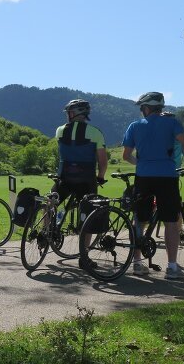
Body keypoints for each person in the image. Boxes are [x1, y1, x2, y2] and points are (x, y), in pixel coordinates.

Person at [122, 92, 184, 280]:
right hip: (167, 176)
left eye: (142, 108)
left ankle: (137, 264)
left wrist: (140, 164)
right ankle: (172, 268)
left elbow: (126, 155)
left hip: (143, 177)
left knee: (140, 219)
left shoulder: (134, 126)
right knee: (171, 222)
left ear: (147, 108)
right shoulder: (172, 123)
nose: (142, 111)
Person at [54, 100, 108, 269]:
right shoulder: (95, 133)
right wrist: (100, 176)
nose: (67, 115)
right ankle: (83, 257)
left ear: (75, 113)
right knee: (88, 217)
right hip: (86, 180)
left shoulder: (59, 130)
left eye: (69, 112)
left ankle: (47, 232)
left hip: (64, 178)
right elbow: (103, 161)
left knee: (50, 201)